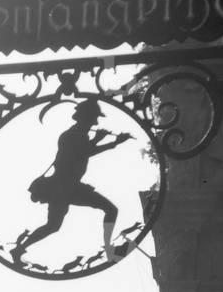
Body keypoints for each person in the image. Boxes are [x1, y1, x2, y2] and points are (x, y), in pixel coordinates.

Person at [10, 99, 133, 266]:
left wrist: (101, 140)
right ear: (86, 118)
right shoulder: (71, 135)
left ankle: (19, 249)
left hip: (66, 187)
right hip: (64, 187)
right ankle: (109, 251)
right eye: (93, 118)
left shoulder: (79, 135)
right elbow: (83, 152)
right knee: (109, 210)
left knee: (53, 225)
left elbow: (84, 150)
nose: (95, 122)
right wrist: (111, 142)